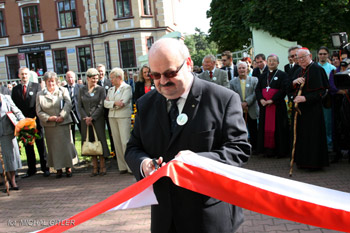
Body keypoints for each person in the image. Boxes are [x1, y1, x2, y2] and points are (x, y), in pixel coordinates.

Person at [125, 38, 250, 233]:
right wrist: (144, 164)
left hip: (208, 216)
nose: (163, 81)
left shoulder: (223, 99)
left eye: (170, 73)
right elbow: (133, 147)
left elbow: (239, 149)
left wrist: (197, 161)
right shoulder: (145, 104)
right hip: (164, 217)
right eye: (156, 75)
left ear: (189, 64)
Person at [291, 48, 329, 169]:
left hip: (313, 111)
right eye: (298, 58)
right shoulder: (297, 71)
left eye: (303, 57)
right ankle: (302, 162)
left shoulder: (317, 70)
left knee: (313, 136)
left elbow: (322, 92)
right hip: (300, 111)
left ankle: (314, 163)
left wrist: (305, 98)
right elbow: (289, 88)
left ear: (310, 56)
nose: (301, 60)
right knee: (302, 136)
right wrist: (293, 83)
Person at [36, 71, 77, 178]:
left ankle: (68, 167)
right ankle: (58, 169)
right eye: (49, 81)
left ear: (56, 81)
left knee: (66, 146)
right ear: (45, 82)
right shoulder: (40, 94)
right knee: (53, 148)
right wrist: (49, 118)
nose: (51, 84)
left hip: (63, 122)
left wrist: (62, 115)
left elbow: (68, 103)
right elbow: (39, 111)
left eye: (53, 81)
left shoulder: (63, 90)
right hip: (50, 126)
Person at [11, 67, 50, 178]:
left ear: (29, 75)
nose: (24, 76)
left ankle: (45, 168)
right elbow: (14, 106)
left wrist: (35, 118)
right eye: (22, 74)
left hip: (36, 121)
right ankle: (31, 169)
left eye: (26, 74)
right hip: (24, 123)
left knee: (41, 145)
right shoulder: (16, 89)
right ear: (19, 75)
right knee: (28, 146)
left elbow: (39, 103)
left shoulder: (36, 86)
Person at [255, 54, 290, 158]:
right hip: (265, 106)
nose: (271, 62)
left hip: (277, 106)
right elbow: (257, 89)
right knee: (264, 128)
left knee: (278, 128)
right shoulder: (262, 75)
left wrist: (272, 100)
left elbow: (284, 89)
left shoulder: (283, 75)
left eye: (274, 61)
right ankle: (267, 151)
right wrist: (261, 99)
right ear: (267, 62)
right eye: (269, 61)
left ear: (278, 63)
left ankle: (279, 151)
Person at [79, 68, 110, 176]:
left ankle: (102, 166)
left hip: (97, 120)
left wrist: (92, 117)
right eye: (93, 79)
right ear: (87, 78)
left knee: (100, 140)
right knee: (90, 140)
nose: (95, 81)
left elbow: (101, 105)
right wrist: (86, 118)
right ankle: (94, 167)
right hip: (85, 121)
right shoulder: (81, 89)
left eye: (96, 78)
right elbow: (80, 105)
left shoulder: (100, 89)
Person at [104, 68, 132, 174]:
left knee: (125, 141)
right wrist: (115, 103)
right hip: (112, 117)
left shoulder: (127, 87)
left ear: (119, 77)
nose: (110, 80)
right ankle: (122, 167)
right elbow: (105, 103)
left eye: (112, 78)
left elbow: (123, 102)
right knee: (117, 142)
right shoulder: (110, 90)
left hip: (123, 116)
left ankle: (130, 166)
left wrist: (111, 103)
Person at [229, 61, 259, 153]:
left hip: (252, 109)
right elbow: (232, 94)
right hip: (239, 109)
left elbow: (255, 93)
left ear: (247, 69)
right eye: (240, 68)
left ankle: (255, 149)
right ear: (237, 70)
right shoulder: (232, 82)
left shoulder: (254, 80)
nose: (242, 70)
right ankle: (241, 149)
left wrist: (246, 102)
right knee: (240, 130)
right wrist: (240, 104)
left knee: (253, 129)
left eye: (243, 68)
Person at [0, 94, 25, 190]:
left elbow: (17, 111)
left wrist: (23, 122)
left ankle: (13, 180)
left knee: (11, 157)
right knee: (1, 159)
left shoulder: (6, 98)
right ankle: (6, 179)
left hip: (8, 132)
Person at [317, 46, 336, 153]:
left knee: (327, 123)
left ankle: (329, 146)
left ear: (328, 55)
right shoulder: (314, 67)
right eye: (320, 54)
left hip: (327, 100)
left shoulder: (332, 68)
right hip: (316, 100)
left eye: (324, 54)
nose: (322, 56)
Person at [97, 64, 115, 156]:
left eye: (102, 71)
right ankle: (103, 153)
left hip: (109, 111)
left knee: (112, 133)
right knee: (101, 133)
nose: (100, 73)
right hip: (99, 113)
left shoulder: (109, 82)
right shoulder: (95, 83)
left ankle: (114, 151)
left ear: (104, 71)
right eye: (99, 71)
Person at [64, 71, 83, 144]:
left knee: (83, 133)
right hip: (68, 114)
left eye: (71, 77)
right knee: (70, 135)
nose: (70, 79)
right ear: (66, 78)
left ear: (74, 78)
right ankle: (72, 152)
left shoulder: (81, 87)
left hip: (79, 114)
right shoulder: (63, 89)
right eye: (68, 77)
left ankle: (86, 150)